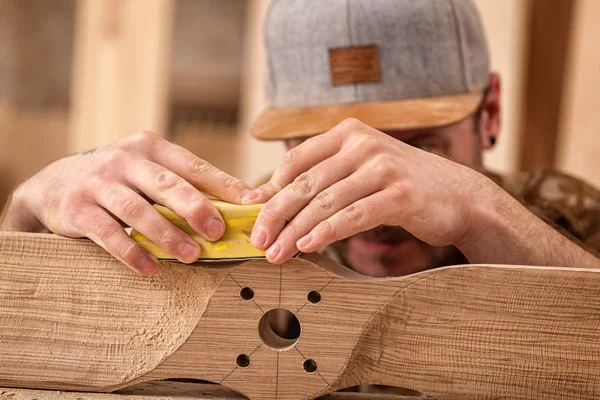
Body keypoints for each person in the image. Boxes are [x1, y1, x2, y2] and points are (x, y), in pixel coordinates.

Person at [1, 0, 598, 277]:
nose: (375, 208)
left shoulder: (564, 217)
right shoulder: (229, 238)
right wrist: (28, 210)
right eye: (321, 146)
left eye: (418, 147)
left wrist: (476, 212)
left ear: (489, 113)